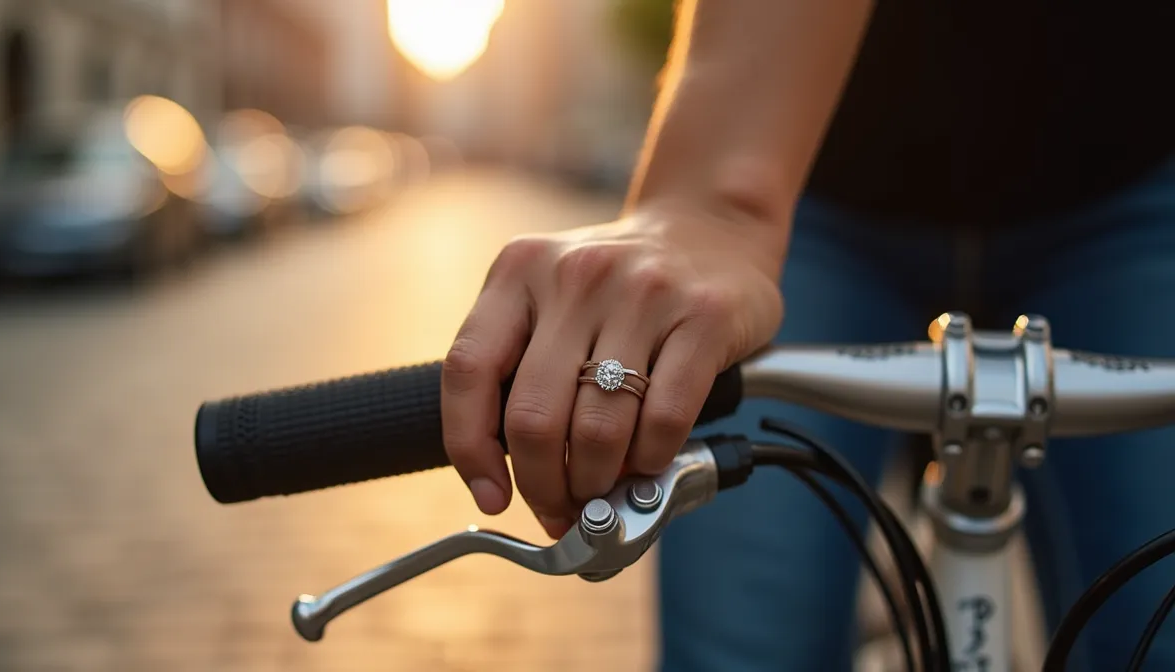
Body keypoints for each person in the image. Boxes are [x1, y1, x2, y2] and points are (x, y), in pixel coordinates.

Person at [438, 0, 1175, 669]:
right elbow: (727, 196)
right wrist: (715, 205)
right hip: (809, 199)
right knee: (744, 647)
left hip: (1137, 169)